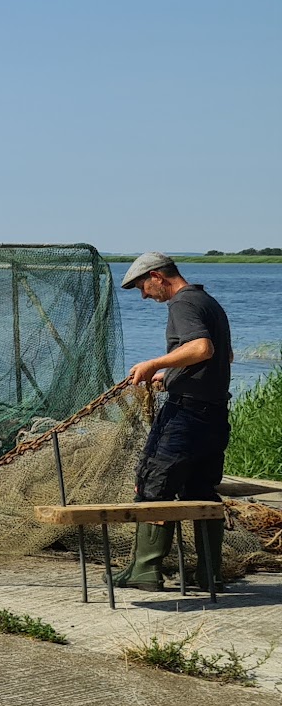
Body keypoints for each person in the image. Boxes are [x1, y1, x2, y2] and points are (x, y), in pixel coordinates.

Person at [115, 251, 234, 592]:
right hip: (214, 416)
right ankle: (210, 573)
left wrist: (153, 365)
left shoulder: (181, 304)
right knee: (202, 491)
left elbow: (202, 349)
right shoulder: (208, 302)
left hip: (186, 417)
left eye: (142, 287)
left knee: (155, 483)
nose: (143, 295)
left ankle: (145, 570)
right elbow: (224, 356)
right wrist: (170, 376)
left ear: (158, 276)